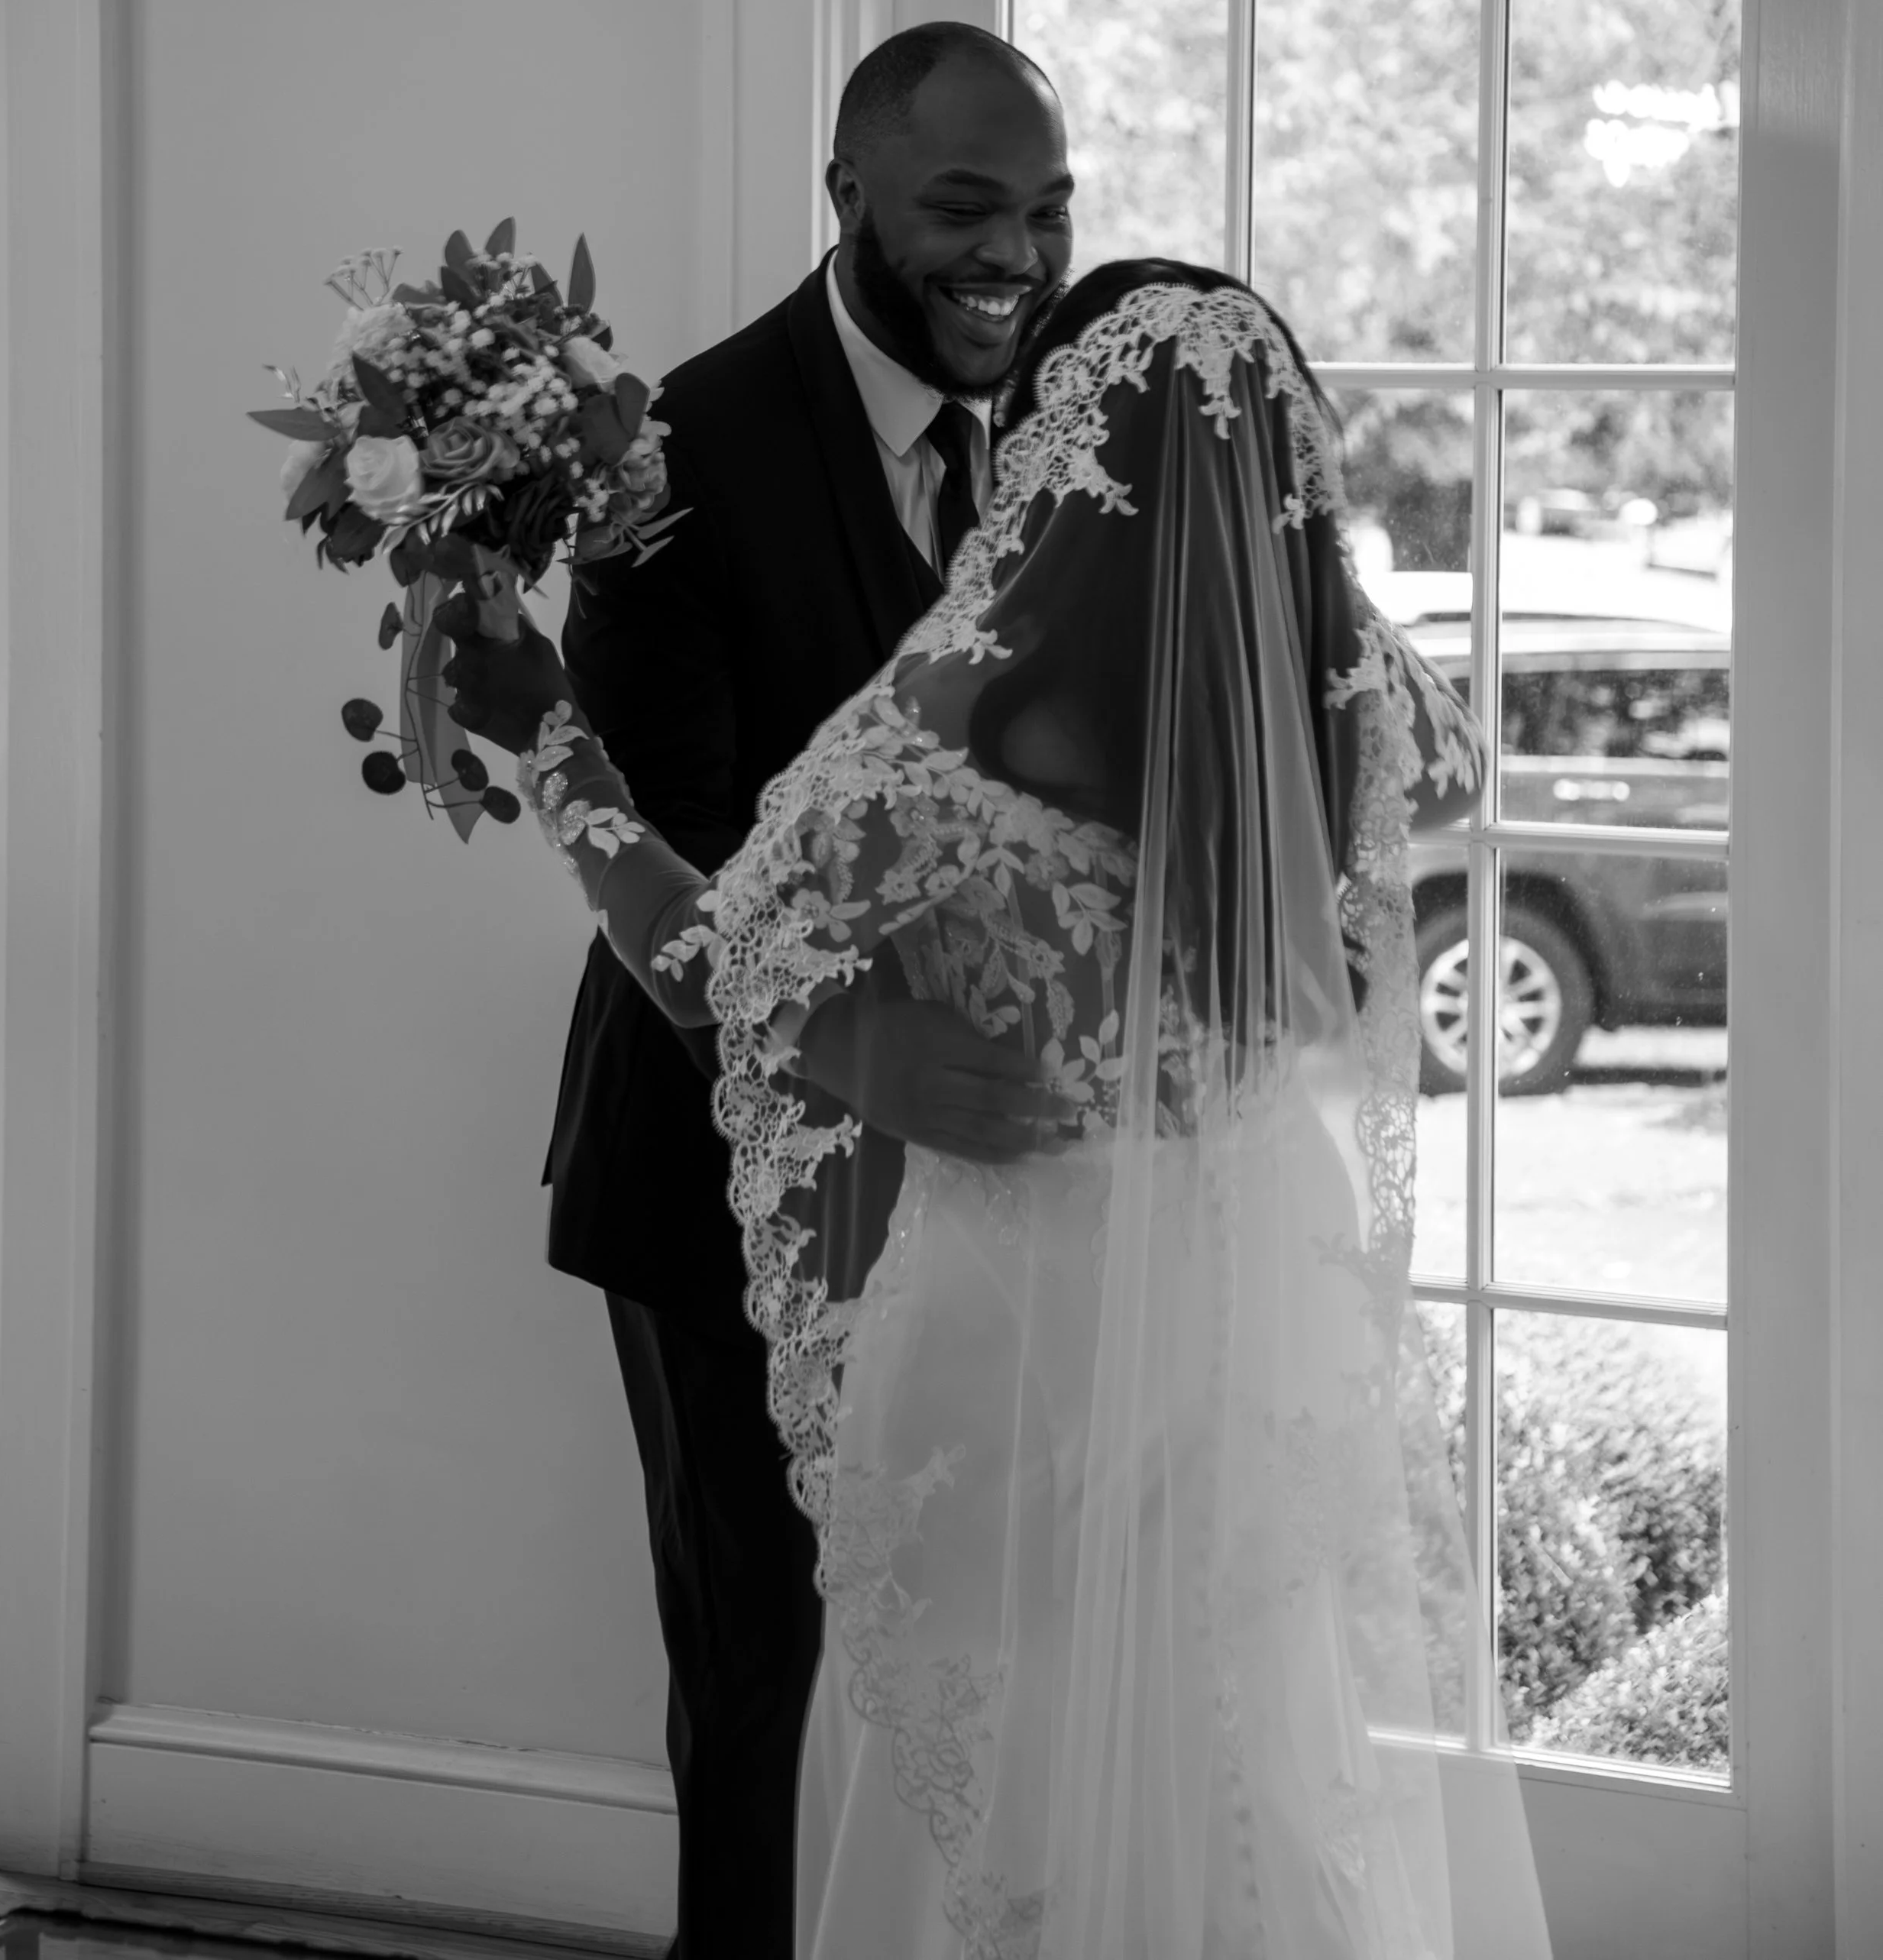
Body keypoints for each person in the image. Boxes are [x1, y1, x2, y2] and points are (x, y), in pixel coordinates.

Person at [446, 259, 1553, 1960]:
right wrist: (1283, 574)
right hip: (1238, 1302)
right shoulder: (1362, 713)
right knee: (1236, 1734)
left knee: (1005, 1755)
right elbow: (1448, 767)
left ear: (1049, 456)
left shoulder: (958, 728)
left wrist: (552, 752)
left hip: (1018, 1309)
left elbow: (702, 959)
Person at [542, 21, 1075, 1958]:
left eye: (1042, 207)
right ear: (844, 191)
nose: (1010, 251)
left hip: (988, 1193)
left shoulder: (1060, 427)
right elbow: (668, 882)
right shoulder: (674, 459)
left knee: (973, 1672)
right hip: (722, 1177)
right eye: (960, 207)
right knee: (755, 1678)